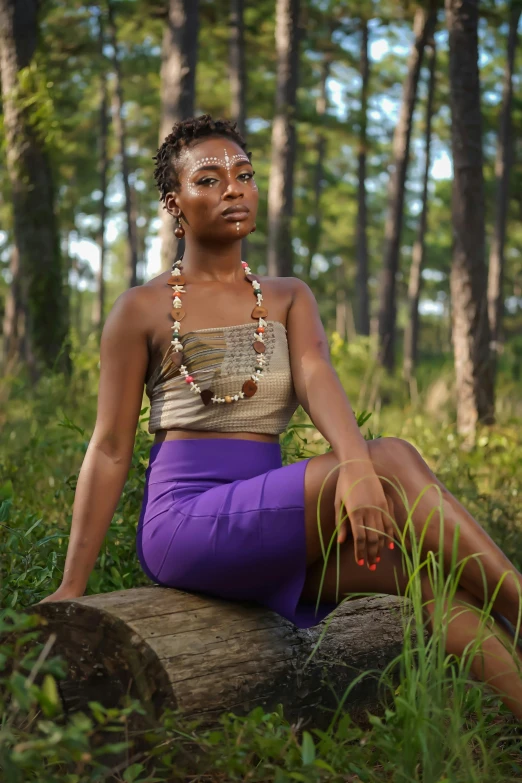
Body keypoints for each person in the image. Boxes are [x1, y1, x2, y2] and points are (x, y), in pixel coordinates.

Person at [41, 114, 522, 719]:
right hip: (188, 524)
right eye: (209, 180)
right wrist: (73, 584)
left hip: (275, 521)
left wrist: (355, 470)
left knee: (429, 581)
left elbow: (319, 379)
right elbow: (110, 447)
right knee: (392, 456)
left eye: (243, 175)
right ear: (175, 203)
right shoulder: (140, 309)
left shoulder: (289, 297)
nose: (234, 189)